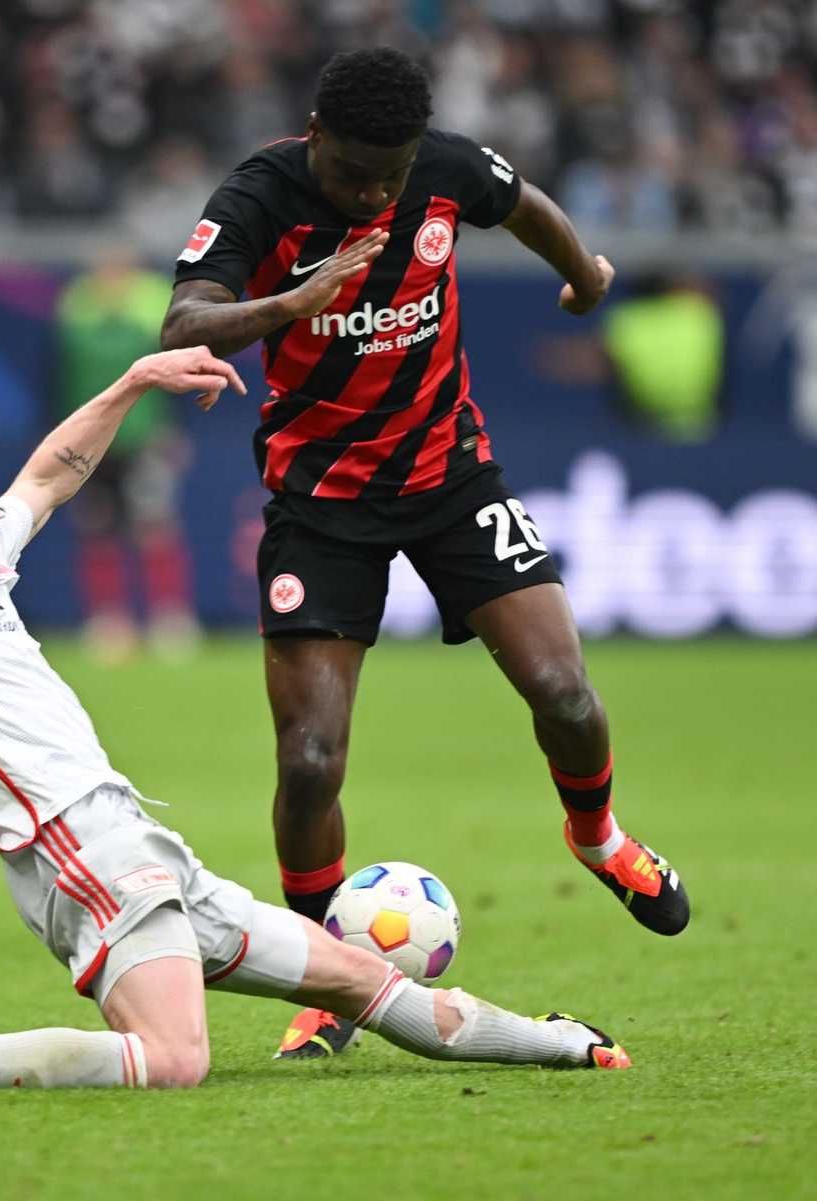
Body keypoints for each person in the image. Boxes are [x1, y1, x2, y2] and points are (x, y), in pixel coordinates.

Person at [0, 346, 631, 1092]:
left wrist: (136, 380)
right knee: (173, 1061)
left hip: (137, 838)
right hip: (68, 842)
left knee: (364, 980)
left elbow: (54, 470)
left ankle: (557, 1041)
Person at [160, 47, 689, 1059]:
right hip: (321, 505)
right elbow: (184, 320)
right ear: (316, 133)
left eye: (391, 178)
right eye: (356, 172)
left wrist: (584, 276)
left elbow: (523, 201)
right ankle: (331, 978)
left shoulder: (441, 166)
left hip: (452, 481)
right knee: (309, 761)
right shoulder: (259, 198)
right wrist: (286, 305)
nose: (374, 194)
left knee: (566, 695)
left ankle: (601, 840)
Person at [55, 251, 199, 662]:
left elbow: (178, 369)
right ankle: (109, 623)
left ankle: (170, 621)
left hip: (144, 439)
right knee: (97, 529)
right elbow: (61, 375)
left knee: (156, 526)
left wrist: (173, 430)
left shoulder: (154, 300)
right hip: (91, 443)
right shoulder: (76, 303)